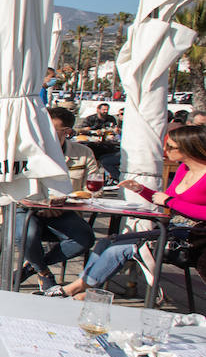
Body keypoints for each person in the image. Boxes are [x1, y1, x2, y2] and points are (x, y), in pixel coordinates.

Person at [44, 126, 206, 299]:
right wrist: (141, 190)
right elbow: (165, 199)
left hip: (192, 239)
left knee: (119, 249)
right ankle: (85, 290)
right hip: (171, 230)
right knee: (107, 242)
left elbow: (172, 202)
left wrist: (169, 201)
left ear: (190, 147)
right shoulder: (183, 169)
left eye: (171, 147)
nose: (165, 150)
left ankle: (75, 289)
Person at [16, 107, 98, 291]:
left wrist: (65, 203)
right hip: (28, 209)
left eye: (52, 129)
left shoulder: (83, 153)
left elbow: (94, 189)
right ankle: (43, 272)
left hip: (65, 212)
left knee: (84, 238)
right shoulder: (28, 151)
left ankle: (32, 266)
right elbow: (17, 186)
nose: (45, 133)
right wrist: (42, 203)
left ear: (67, 132)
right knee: (26, 236)